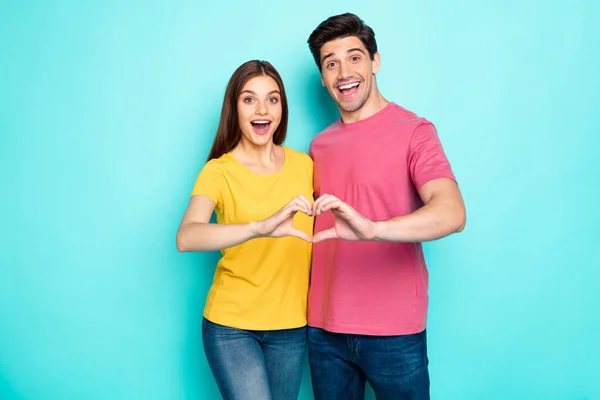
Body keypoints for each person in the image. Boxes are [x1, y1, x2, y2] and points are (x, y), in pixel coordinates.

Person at [304, 13, 467, 400]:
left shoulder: (415, 131)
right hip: (323, 330)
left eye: (355, 57)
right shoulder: (318, 146)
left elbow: (452, 212)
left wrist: (375, 229)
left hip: (395, 333)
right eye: (331, 63)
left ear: (375, 62)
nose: (344, 71)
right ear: (324, 78)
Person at [176, 60, 314, 400]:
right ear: (234, 108)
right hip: (232, 325)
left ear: (282, 107)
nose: (262, 109)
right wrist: (259, 227)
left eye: (273, 99)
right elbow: (187, 236)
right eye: (249, 99)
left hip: (292, 326)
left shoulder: (305, 165)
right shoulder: (218, 171)